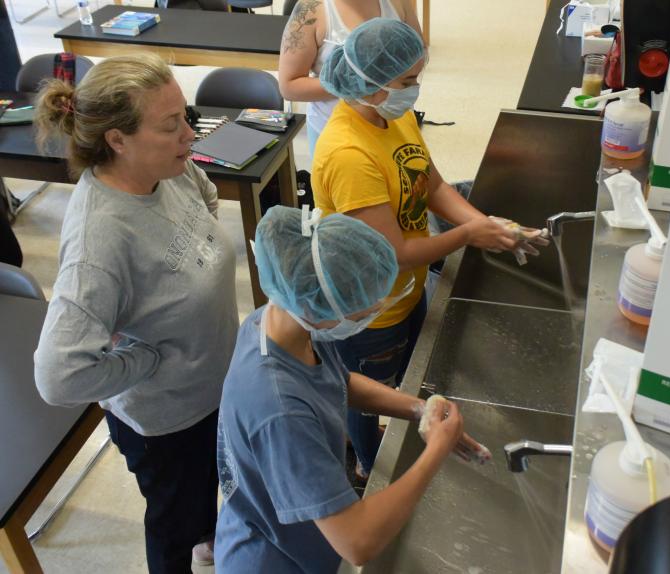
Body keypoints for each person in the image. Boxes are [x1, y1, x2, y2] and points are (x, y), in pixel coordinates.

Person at [312, 18, 549, 478]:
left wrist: (486, 223)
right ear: (371, 84)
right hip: (371, 311)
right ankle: (366, 465)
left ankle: (381, 435)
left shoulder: (391, 115)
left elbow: (432, 184)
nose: (415, 90)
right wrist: (467, 236)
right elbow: (396, 252)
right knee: (366, 397)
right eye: (407, 81)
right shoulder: (348, 154)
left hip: (406, 289)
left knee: (402, 373)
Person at [33, 54, 239, 573]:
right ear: (117, 140)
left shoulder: (167, 168)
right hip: (167, 425)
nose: (189, 135)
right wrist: (145, 362)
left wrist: (198, 257)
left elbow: (205, 195)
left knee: (204, 499)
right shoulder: (98, 245)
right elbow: (58, 375)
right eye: (170, 126)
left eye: (185, 117)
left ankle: (208, 536)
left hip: (212, 387)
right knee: (173, 528)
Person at [215, 205, 486, 572]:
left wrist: (418, 409)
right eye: (362, 311)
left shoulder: (281, 322)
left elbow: (335, 381)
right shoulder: (279, 409)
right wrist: (436, 449)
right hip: (275, 560)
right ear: (318, 307)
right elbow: (358, 541)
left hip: (293, 531)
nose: (370, 313)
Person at [278, 0, 423, 158]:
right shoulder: (311, 9)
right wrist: (351, 83)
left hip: (395, 122)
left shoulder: (398, 3)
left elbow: (417, 54)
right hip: (337, 133)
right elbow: (289, 86)